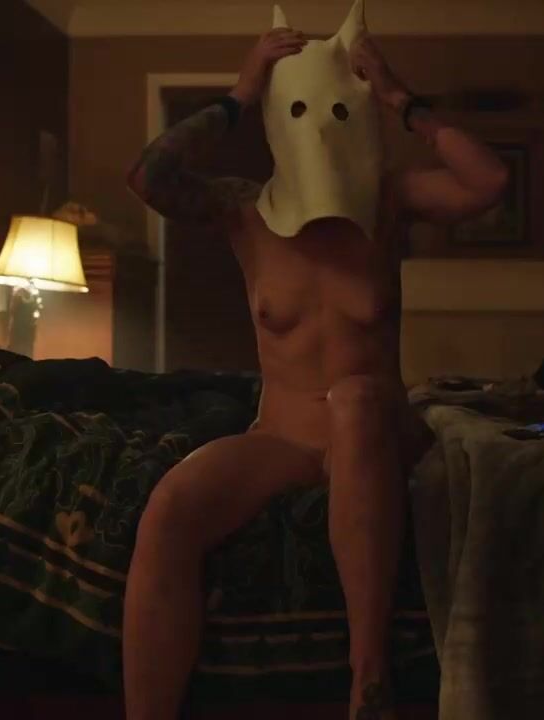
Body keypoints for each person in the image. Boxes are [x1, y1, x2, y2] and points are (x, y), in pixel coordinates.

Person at [122, 2, 508, 719]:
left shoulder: (389, 202)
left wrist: (399, 99)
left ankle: (368, 680)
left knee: (354, 398)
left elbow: (488, 183)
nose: (319, 127)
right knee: (169, 508)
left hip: (378, 428)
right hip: (285, 436)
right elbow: (150, 176)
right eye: (296, 109)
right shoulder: (244, 210)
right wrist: (240, 95)